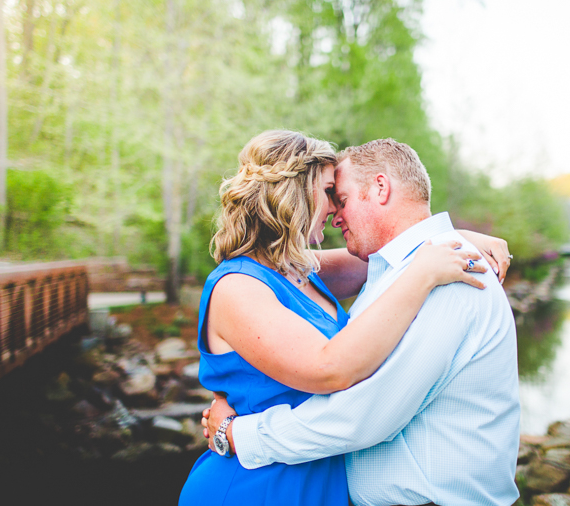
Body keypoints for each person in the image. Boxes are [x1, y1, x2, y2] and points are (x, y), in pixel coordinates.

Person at [177, 131, 511, 505]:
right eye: (329, 193)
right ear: (296, 194)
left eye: (341, 196)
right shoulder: (241, 285)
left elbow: (399, 246)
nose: (335, 210)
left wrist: (452, 236)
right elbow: (329, 367)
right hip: (256, 486)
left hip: (315, 484)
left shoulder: (301, 271)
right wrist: (233, 434)